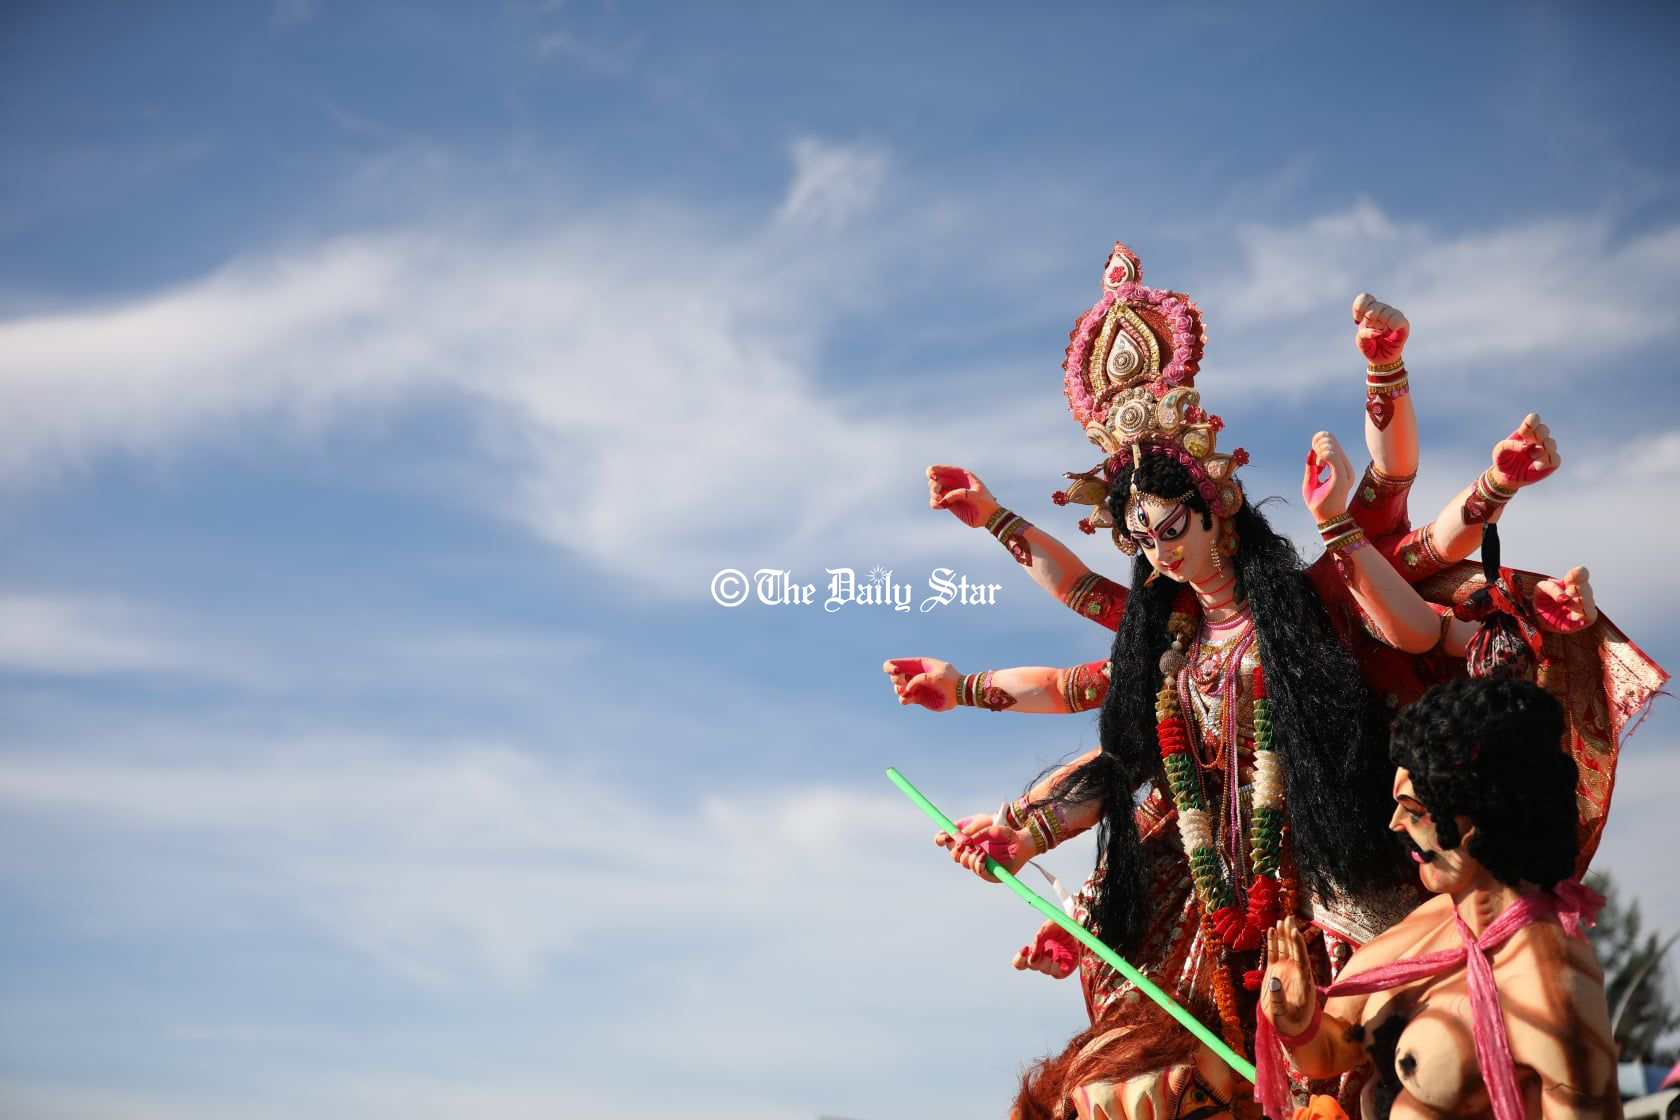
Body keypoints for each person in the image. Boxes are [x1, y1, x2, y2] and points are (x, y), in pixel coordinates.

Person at [1256, 677, 1620, 1120]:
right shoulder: (1430, 922)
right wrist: (1298, 1023)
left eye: (1413, 811)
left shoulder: (1552, 982)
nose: (1394, 824)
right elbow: (1332, 1051)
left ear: (1482, 812)